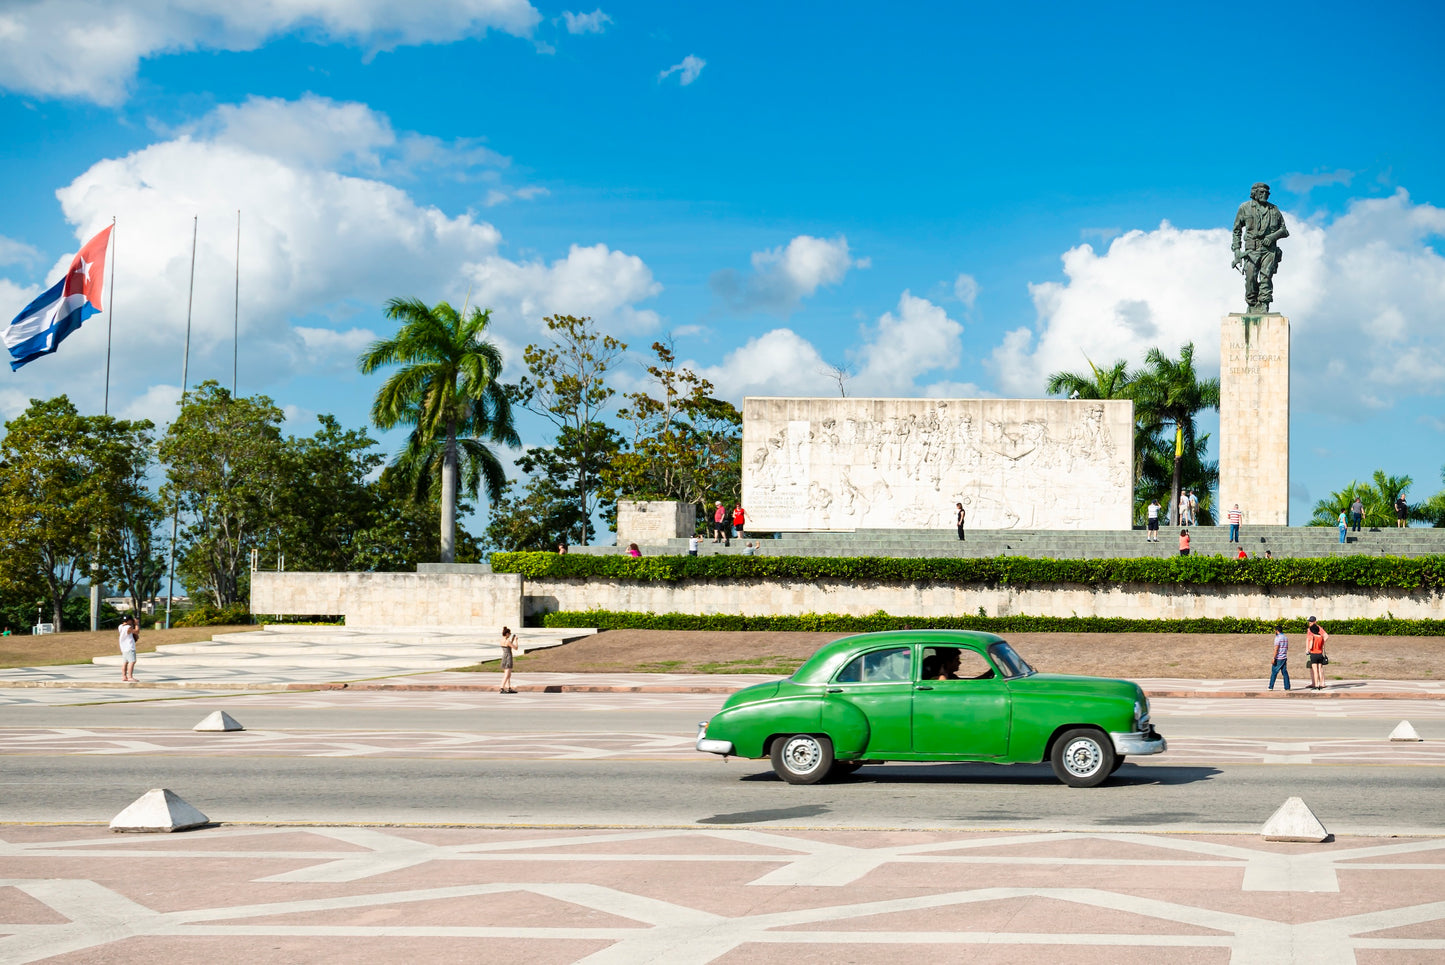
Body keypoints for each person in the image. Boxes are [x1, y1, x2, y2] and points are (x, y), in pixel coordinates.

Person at [1231, 182, 1290, 313]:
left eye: (1267, 193)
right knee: (1250, 278)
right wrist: (1236, 251)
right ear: (1255, 193)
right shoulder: (1244, 208)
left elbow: (1284, 231)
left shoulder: (1274, 209)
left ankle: (1264, 304)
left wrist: (1272, 237)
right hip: (1251, 250)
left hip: (1269, 251)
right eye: (1262, 192)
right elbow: (1236, 230)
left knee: (1266, 277)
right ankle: (1251, 304)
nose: (1265, 195)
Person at [1305, 616, 1329, 690]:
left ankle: (1318, 683)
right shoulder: (1311, 630)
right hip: (1317, 651)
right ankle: (1316, 683)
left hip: (1313, 651)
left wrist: (1309, 648)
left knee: (1316, 668)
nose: (1310, 623)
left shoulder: (1316, 628)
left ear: (1315, 622)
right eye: (1309, 622)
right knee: (1315, 668)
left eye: (1311, 622)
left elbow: (1326, 636)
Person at [1268, 625, 1291, 691]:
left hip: (1278, 658)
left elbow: (1276, 649)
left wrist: (1274, 658)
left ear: (1277, 631)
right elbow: (1287, 648)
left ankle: (1271, 686)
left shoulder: (1277, 638)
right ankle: (1287, 687)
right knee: (1284, 673)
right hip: (1284, 657)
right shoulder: (1285, 638)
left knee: (1274, 672)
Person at [498, 626, 519, 694]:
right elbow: (515, 648)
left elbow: (509, 646)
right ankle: (501, 687)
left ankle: (508, 687)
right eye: (509, 633)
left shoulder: (502, 640)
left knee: (508, 674)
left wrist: (512, 640)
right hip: (508, 657)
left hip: (504, 656)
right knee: (507, 674)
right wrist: (516, 640)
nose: (510, 634)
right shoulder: (507, 641)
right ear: (507, 634)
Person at [118, 616, 137, 682]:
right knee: (132, 662)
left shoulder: (120, 626)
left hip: (123, 647)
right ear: (129, 620)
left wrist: (132, 624)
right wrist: (136, 624)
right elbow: (137, 632)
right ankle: (130, 677)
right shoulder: (128, 627)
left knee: (125, 662)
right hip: (129, 647)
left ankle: (124, 676)